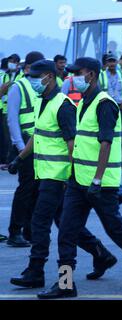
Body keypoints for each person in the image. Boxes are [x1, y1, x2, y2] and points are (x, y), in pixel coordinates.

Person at [37, 57, 122, 299]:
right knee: (66, 232)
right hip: (78, 181)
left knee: (115, 229)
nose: (74, 77)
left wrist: (97, 180)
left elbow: (105, 143)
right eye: (72, 73)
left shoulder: (104, 103)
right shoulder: (82, 102)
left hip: (100, 183)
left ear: (92, 75)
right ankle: (66, 284)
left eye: (79, 73)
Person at [9, 60, 116, 288]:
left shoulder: (63, 105)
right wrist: (19, 159)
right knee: (65, 226)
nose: (32, 81)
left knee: (40, 222)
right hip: (45, 173)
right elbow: (37, 135)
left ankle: (37, 271)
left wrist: (72, 176)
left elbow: (72, 145)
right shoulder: (43, 102)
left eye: (35, 77)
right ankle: (101, 255)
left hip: (58, 177)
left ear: (48, 77)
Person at [6, 51, 45, 247]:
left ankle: (29, 229)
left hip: (40, 143)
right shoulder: (17, 87)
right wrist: (20, 147)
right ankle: (15, 231)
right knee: (26, 189)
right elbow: (12, 119)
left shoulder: (42, 86)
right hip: (25, 145)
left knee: (37, 189)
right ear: (28, 68)